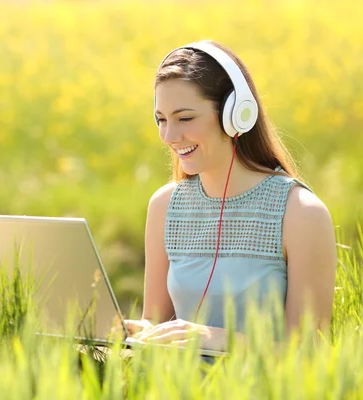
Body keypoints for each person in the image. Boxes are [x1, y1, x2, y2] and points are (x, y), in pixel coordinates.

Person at [123, 40, 337, 352]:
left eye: (185, 118)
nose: (169, 136)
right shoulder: (164, 206)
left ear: (236, 114)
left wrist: (216, 339)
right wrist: (130, 331)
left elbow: (310, 352)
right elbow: (158, 325)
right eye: (161, 119)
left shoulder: (302, 214)